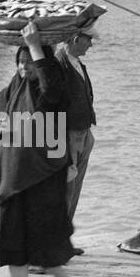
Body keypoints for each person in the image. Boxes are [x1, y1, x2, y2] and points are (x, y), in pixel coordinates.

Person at [0, 24, 79, 277]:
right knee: (11, 239)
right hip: (12, 175)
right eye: (20, 62)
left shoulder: (54, 90)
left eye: (30, 62)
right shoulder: (16, 87)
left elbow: (50, 94)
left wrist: (34, 46)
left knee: (43, 239)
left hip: (42, 176)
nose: (24, 67)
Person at [55, 29, 96, 248]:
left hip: (83, 132)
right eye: (89, 39)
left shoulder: (77, 63)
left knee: (75, 186)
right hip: (69, 134)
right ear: (75, 39)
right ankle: (56, 241)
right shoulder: (60, 63)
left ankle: (64, 240)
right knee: (65, 188)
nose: (91, 44)